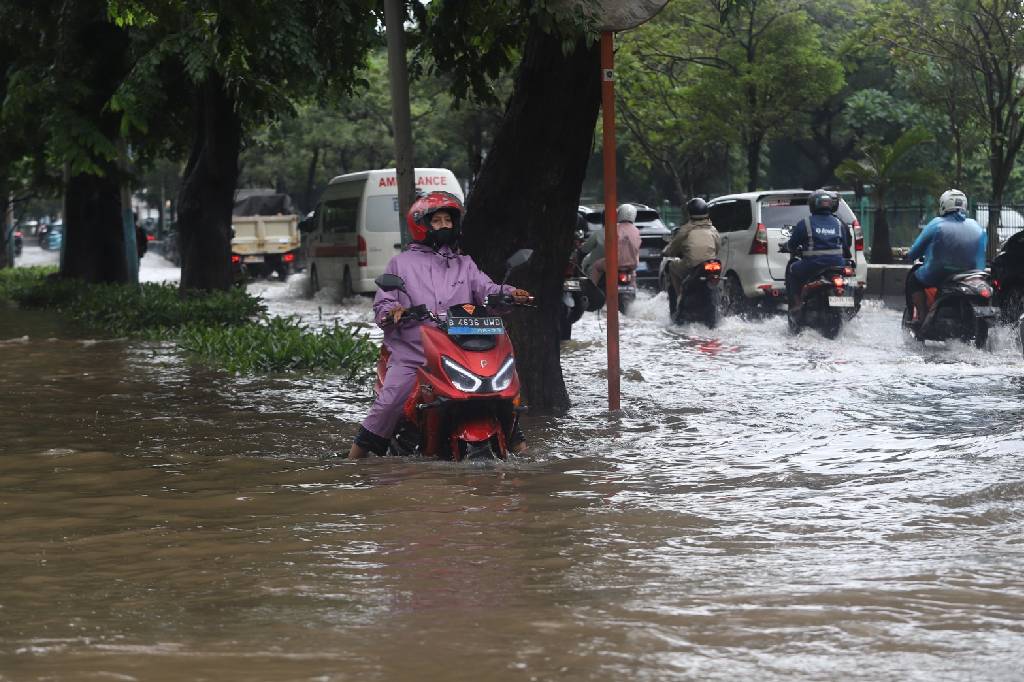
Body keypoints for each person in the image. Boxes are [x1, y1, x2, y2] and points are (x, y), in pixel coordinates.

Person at [347, 191, 532, 460]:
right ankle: (354, 461)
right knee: (389, 403)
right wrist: (393, 311)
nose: (444, 225)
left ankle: (525, 457)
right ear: (421, 225)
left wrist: (511, 293)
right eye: (437, 220)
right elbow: (384, 302)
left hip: (459, 349)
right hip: (414, 353)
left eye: (448, 220)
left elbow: (488, 289)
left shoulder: (465, 264)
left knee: (502, 393)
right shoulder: (401, 263)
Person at [906, 189, 987, 326]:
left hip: (940, 273)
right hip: (972, 274)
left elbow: (915, 252)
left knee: (914, 280)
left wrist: (910, 255)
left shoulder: (936, 223)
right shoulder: (976, 225)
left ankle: (922, 319)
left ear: (943, 205)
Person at [786, 189, 851, 311]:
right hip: (837, 265)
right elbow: (846, 247)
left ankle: (797, 304)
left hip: (813, 264)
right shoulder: (839, 223)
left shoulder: (805, 223)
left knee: (792, 269)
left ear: (812, 205)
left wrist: (788, 247)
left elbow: (792, 245)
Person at [663, 197, 720, 317]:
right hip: (711, 264)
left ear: (689, 213)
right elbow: (718, 247)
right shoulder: (713, 230)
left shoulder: (685, 230)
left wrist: (666, 252)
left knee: (671, 266)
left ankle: (679, 297)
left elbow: (672, 248)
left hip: (692, 266)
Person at [581, 203, 642, 285]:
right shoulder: (636, 230)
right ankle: (633, 286)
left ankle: (592, 287)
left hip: (615, 263)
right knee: (633, 273)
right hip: (632, 264)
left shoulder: (615, 228)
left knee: (596, 266)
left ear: (619, 214)